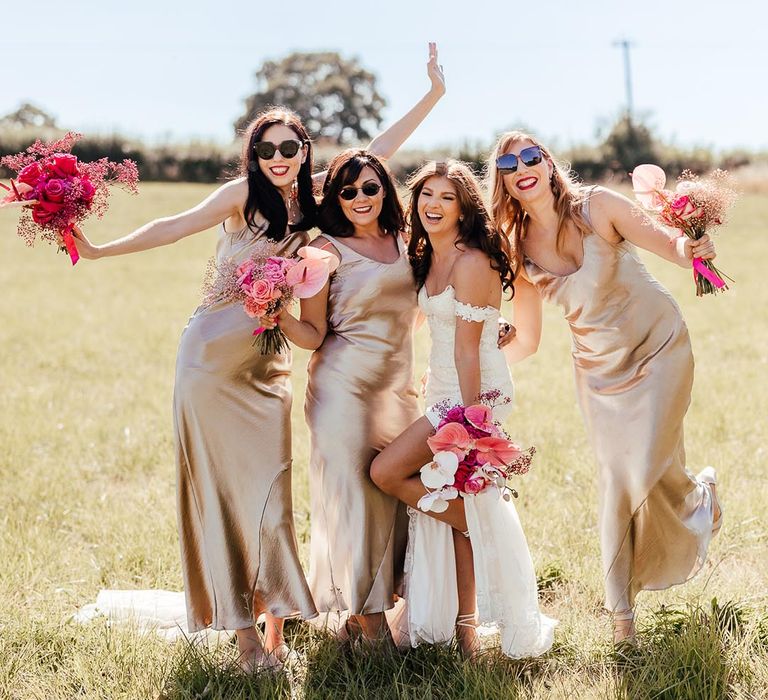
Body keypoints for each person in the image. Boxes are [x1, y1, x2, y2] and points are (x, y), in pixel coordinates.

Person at [68, 43, 447, 670]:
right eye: (266, 149)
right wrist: (101, 249)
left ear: (304, 152)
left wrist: (433, 93)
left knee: (271, 495)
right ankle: (247, 641)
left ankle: (274, 628)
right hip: (211, 360)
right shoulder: (241, 196)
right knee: (223, 493)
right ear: (254, 154)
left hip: (268, 365)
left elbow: (377, 153)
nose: (278, 158)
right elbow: (171, 225)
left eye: (289, 148)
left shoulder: (320, 198)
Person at [488, 131, 723, 642]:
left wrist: (694, 244)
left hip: (658, 346)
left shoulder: (599, 206)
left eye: (531, 155)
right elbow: (527, 340)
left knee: (645, 466)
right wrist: (474, 355)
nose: (522, 165)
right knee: (619, 482)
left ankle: (701, 500)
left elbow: (672, 247)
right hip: (598, 373)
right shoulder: (517, 248)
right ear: (503, 180)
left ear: (548, 164)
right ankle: (622, 618)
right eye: (509, 162)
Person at [370, 160, 555, 659]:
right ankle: (466, 633)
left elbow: (468, 349)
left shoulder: (473, 261)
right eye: (426, 194)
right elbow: (431, 330)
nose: (433, 204)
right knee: (451, 508)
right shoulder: (427, 255)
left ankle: (473, 520)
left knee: (387, 472)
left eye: (446, 197)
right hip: (445, 390)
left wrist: (472, 425)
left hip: (470, 396)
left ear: (463, 206)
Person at [271, 150, 420, 643]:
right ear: (334, 198)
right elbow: (313, 333)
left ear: (386, 191)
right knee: (354, 499)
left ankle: (373, 611)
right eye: (348, 191)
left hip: (399, 393)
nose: (360, 198)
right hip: (343, 393)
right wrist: (273, 311)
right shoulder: (323, 251)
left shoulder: (406, 240)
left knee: (394, 500)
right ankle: (369, 623)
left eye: (371, 188)